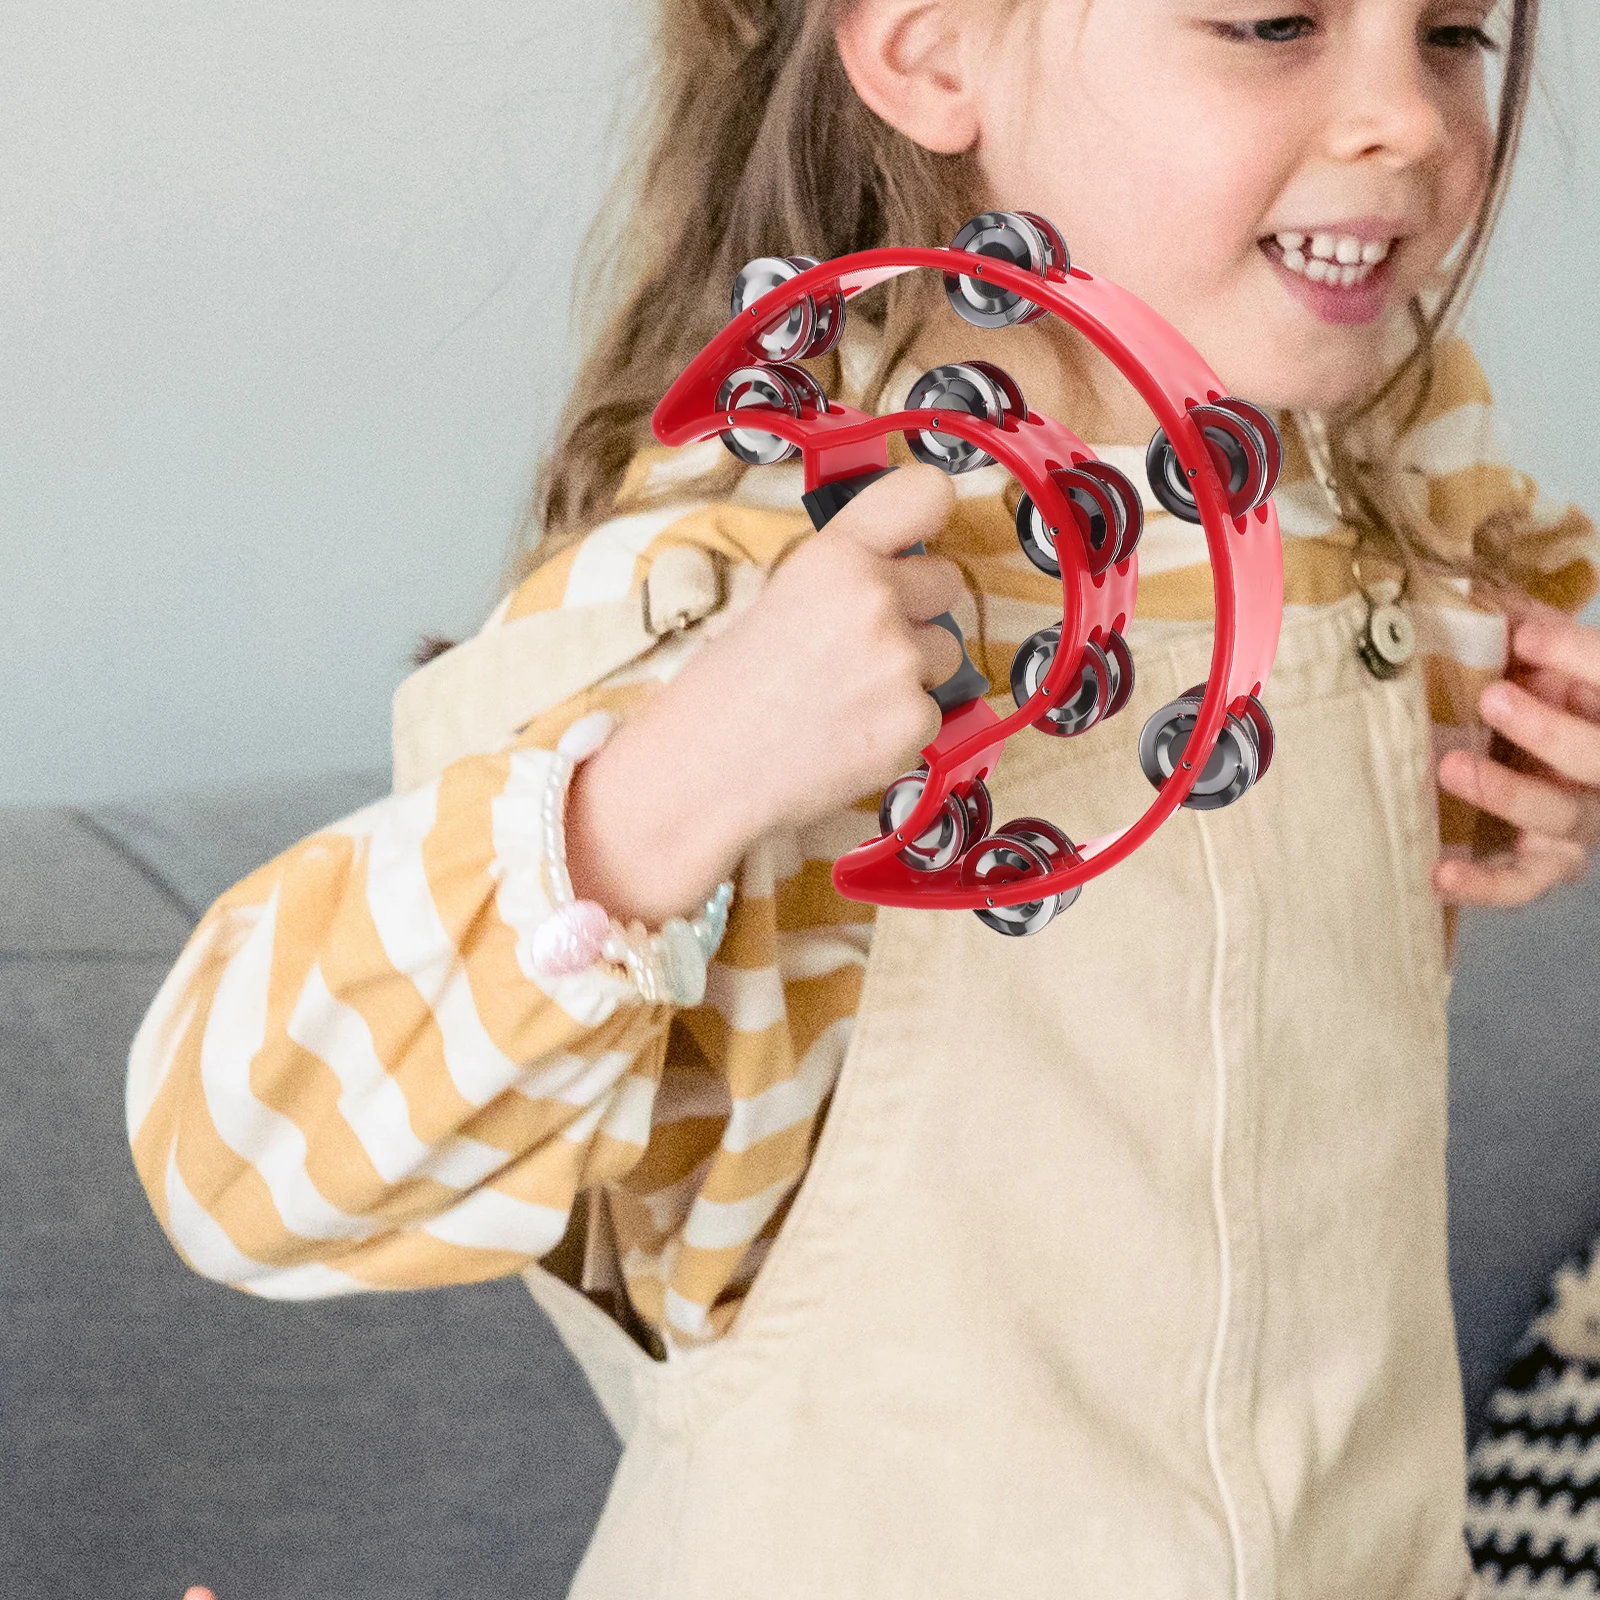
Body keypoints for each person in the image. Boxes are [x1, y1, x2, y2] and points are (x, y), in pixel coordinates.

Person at [131, 1, 1600, 1594]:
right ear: (931, 51)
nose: (1412, 119)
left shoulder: (1394, 474)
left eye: (1453, 32)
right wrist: (659, 800)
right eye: (1273, 23)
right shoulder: (725, 593)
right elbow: (238, 1169)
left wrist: (1557, 755)